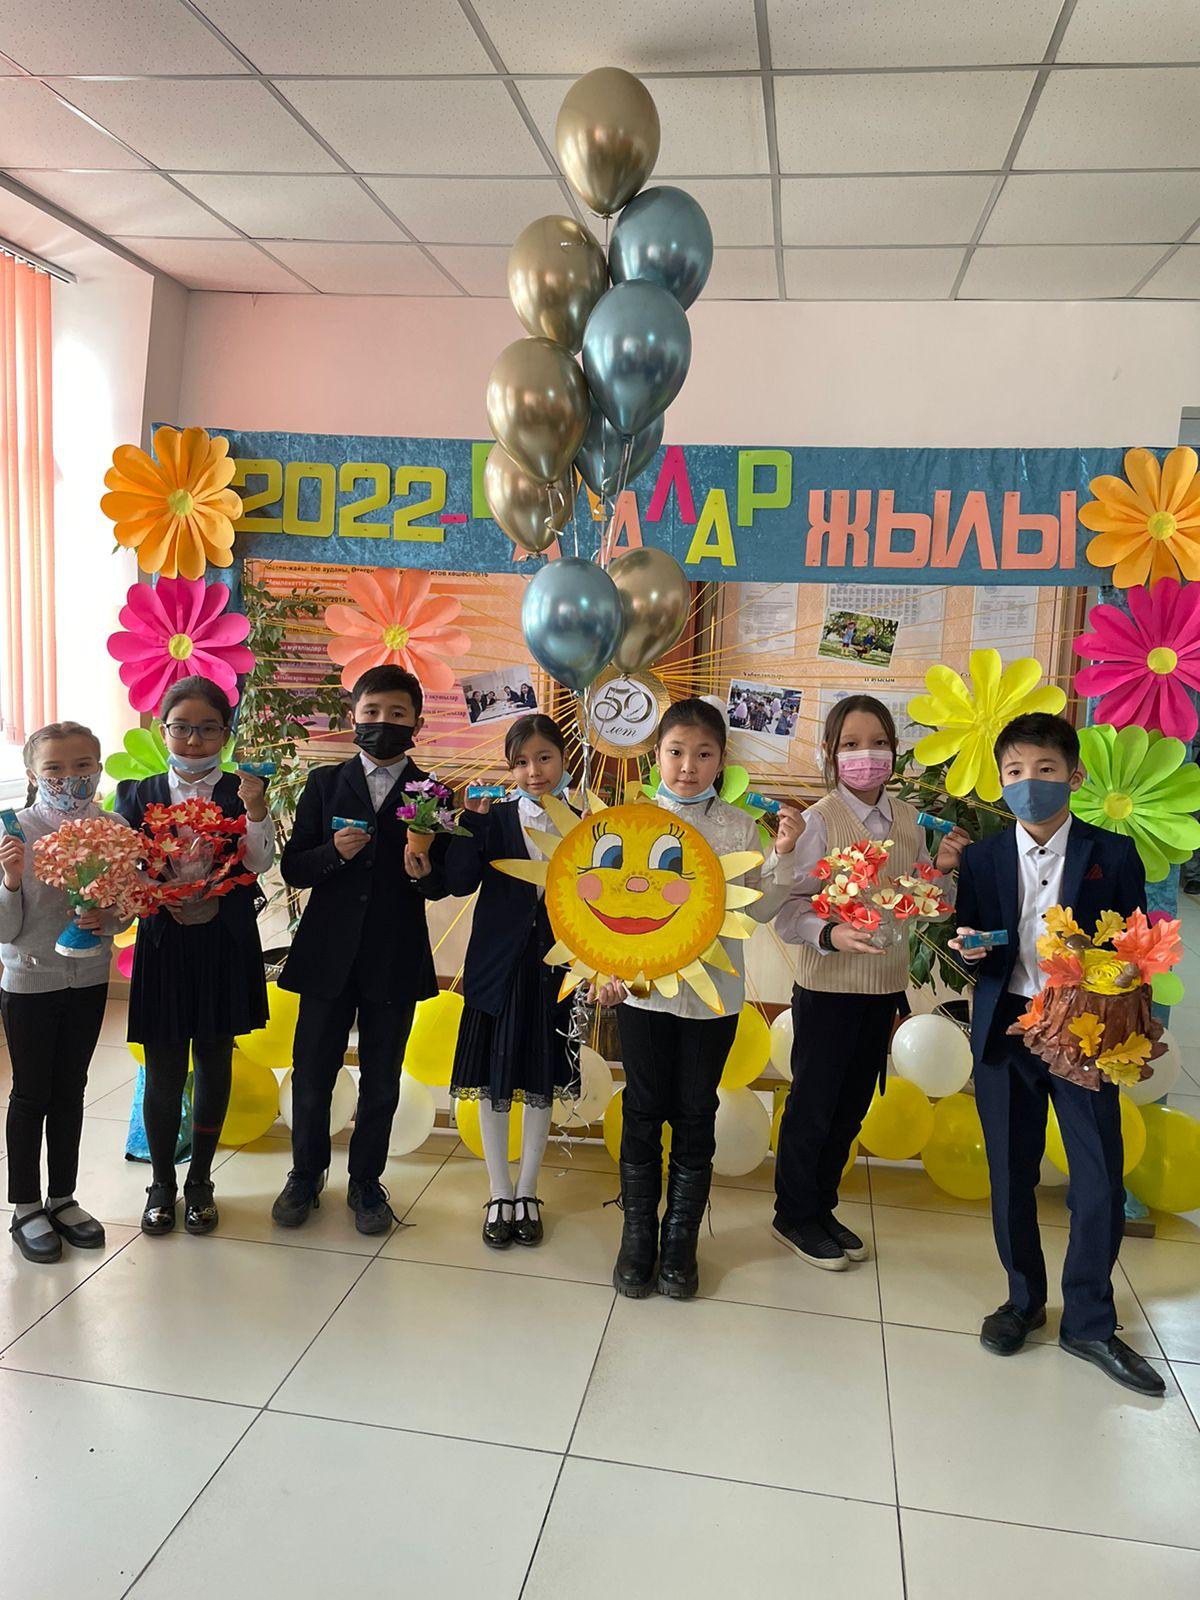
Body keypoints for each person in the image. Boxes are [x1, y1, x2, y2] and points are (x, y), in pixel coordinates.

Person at [952, 712, 1164, 1396]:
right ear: (1000, 781)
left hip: (1086, 1033)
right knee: (1010, 1173)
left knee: (1098, 1177)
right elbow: (973, 937)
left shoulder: (1113, 854)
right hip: (1007, 1028)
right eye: (1014, 772)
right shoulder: (982, 857)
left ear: (1073, 777)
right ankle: (1022, 1300)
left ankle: (1090, 1322)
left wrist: (1117, 971)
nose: (1029, 783)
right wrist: (970, 948)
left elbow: (1135, 946)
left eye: (1045, 769)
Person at [594, 697, 801, 1300]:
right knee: (642, 1108)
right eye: (676, 752)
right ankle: (637, 1236)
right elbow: (605, 908)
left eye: (704, 754)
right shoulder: (630, 821)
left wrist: (784, 855)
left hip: (714, 998)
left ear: (721, 760)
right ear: (656, 756)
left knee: (694, 1111)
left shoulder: (739, 827)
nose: (688, 766)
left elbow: (757, 911)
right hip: (642, 993)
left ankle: (680, 1240)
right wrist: (604, 971)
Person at [772, 694, 968, 1270]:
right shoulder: (818, 820)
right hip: (827, 989)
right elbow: (789, 909)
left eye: (878, 743)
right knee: (814, 1105)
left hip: (882, 988)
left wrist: (943, 871)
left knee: (852, 1106)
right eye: (851, 745)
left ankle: (821, 1206)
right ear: (829, 754)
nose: (867, 755)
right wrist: (831, 934)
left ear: (895, 750)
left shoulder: (909, 820)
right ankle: (793, 1214)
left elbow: (922, 901)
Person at [271, 665, 446, 1235]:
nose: (382, 722)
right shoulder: (324, 784)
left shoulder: (431, 792)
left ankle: (366, 1182)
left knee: (382, 1077)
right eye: (371, 712)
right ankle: (305, 1173)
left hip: (394, 954)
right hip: (327, 953)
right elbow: (294, 868)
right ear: (353, 717)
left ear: (417, 723)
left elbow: (442, 882)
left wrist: (423, 871)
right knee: (311, 1071)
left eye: (397, 714)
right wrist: (333, 854)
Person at [115, 677, 274, 1238]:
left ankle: (201, 1180)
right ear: (163, 730)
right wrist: (161, 895)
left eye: (207, 729)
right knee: (162, 1065)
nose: (193, 740)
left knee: (214, 1057)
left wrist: (257, 810)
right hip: (164, 939)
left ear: (225, 735)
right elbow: (125, 866)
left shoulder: (241, 789)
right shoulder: (136, 794)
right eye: (181, 727)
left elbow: (259, 861)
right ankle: (161, 1182)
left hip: (223, 939)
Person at [438, 714, 576, 1249]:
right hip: (496, 967)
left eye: (544, 758)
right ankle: (499, 1191)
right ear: (509, 768)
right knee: (493, 1082)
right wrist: (470, 823)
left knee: (540, 1080)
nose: (533, 771)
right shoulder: (492, 817)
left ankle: (527, 1191)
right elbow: (459, 882)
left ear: (563, 758)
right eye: (520, 762)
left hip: (555, 966)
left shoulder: (587, 820)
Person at [2, 721, 127, 1263]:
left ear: (98, 768)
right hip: (30, 980)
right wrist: (11, 880)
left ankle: (63, 1197)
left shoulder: (114, 828)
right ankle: (25, 1206)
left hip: (89, 977)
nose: (69, 777)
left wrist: (107, 917)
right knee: (32, 1093)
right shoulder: (14, 832)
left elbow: (124, 912)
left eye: (82, 766)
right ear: (33, 774)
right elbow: (4, 930)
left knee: (71, 1088)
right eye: (54, 768)